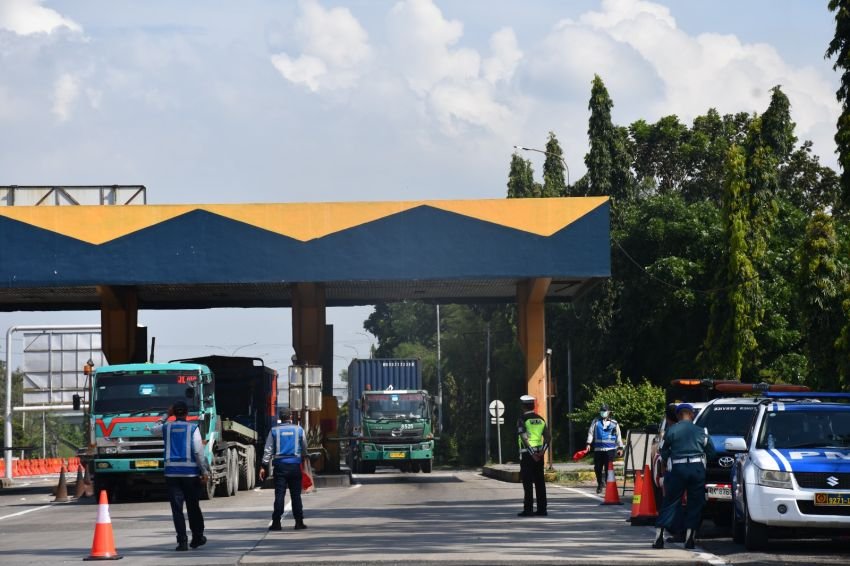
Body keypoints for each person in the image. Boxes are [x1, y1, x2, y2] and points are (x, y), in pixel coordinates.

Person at [652, 403, 716, 550]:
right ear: (692, 415)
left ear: (678, 416)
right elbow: (712, 452)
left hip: (677, 469)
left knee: (670, 502)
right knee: (695, 503)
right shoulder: (701, 431)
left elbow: (664, 452)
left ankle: (659, 538)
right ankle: (689, 539)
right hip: (696, 470)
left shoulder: (671, 431)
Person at [152, 401, 210, 552]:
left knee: (177, 509)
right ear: (186, 413)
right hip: (190, 474)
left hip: (171, 474)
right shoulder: (192, 428)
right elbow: (198, 451)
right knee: (193, 506)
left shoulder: (166, 427)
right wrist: (204, 471)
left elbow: (152, 430)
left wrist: (166, 415)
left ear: (174, 413)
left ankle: (182, 542)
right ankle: (197, 538)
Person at [260, 408, 308, 531]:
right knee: (296, 495)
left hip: (280, 467)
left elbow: (268, 449)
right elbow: (304, 447)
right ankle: (299, 522)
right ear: (290, 417)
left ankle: (276, 522)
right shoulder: (299, 430)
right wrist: (303, 457)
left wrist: (264, 465)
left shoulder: (274, 431)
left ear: (280, 417)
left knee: (280, 494)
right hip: (294, 466)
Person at [516, 394, 551, 517]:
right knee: (540, 482)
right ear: (533, 405)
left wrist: (532, 454)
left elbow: (524, 438)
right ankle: (542, 509)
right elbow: (548, 437)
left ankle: (528, 509)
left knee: (527, 482)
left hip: (527, 455)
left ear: (523, 407)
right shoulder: (541, 419)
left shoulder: (522, 420)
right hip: (539, 454)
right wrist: (542, 452)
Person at [584, 403, 624, 494]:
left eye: (605, 411)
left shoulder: (614, 423)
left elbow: (618, 436)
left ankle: (607, 484)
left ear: (609, 412)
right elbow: (590, 433)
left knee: (608, 468)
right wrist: (588, 443)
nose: (603, 413)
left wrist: (620, 447)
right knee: (597, 468)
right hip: (598, 449)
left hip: (610, 450)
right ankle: (600, 484)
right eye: (602, 411)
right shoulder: (595, 421)